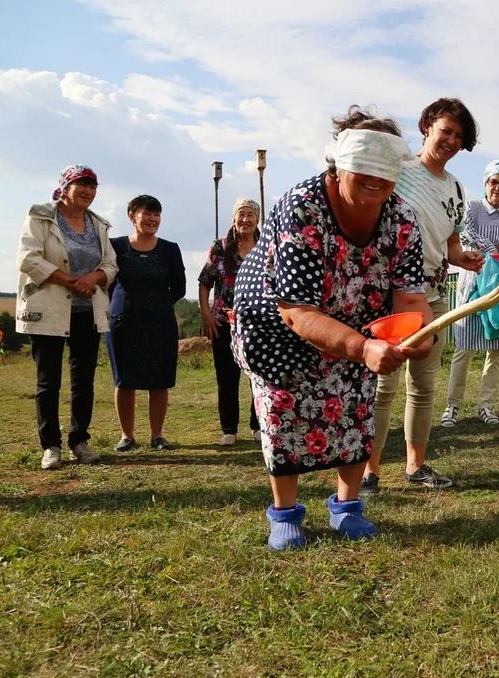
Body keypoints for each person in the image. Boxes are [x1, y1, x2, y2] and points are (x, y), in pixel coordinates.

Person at [231, 106, 433, 550]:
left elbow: (411, 294)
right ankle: (284, 514)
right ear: (339, 163)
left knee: (356, 404)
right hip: (276, 320)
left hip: (357, 318)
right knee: (284, 407)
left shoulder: (402, 218)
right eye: (364, 167)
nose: (375, 179)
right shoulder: (302, 207)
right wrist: (362, 348)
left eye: (386, 169)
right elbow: (297, 312)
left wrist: (420, 333)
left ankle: (347, 506)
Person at [361, 98, 485, 495]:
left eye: (459, 136)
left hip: (434, 294)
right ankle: (370, 471)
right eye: (445, 130)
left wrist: (462, 257)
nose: (450, 140)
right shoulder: (399, 171)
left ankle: (415, 466)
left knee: (424, 385)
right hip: (392, 295)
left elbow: (449, 240)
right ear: (428, 126)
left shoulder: (455, 187)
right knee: (384, 387)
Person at [15, 164, 118, 470]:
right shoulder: (41, 217)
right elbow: (28, 258)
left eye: (93, 186)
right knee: (48, 381)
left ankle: (79, 440)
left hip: (87, 312)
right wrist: (70, 280)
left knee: (83, 380)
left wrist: (94, 277)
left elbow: (110, 265)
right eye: (81, 185)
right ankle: (51, 446)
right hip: (49, 309)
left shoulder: (98, 225)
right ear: (66, 187)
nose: (88, 191)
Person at [440, 160, 499, 427]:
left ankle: (486, 406)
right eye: (494, 181)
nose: (498, 187)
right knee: (464, 347)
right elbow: (466, 233)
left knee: (497, 351)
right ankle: (452, 407)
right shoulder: (473, 208)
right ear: (485, 183)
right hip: (474, 284)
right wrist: (495, 250)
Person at [106, 195, 186, 451]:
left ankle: (157, 435)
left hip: (160, 324)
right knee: (124, 380)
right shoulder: (115, 246)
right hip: (123, 324)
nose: (152, 219)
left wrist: (155, 304)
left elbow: (180, 288)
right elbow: (106, 283)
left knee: (159, 380)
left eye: (157, 214)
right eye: (147, 213)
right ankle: (126, 436)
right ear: (132, 215)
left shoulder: (170, 249)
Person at [198, 199, 263, 446]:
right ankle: (229, 428)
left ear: (257, 220)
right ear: (234, 218)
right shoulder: (220, 247)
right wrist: (206, 314)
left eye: (250, 215)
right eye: (241, 214)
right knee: (226, 376)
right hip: (224, 323)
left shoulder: (265, 247)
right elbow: (204, 283)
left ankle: (258, 425)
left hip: (257, 322)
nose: (245, 219)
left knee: (258, 375)